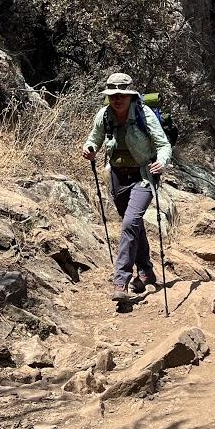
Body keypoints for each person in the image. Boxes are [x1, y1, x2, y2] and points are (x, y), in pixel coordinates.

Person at [81, 72, 172, 302]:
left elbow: (163, 144)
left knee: (129, 223)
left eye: (121, 94)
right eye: (112, 95)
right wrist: (90, 148)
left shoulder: (144, 113)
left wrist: (161, 162)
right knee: (134, 224)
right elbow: (95, 138)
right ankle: (146, 271)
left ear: (130, 96)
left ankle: (121, 280)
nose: (117, 99)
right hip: (117, 177)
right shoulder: (104, 115)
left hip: (143, 176)